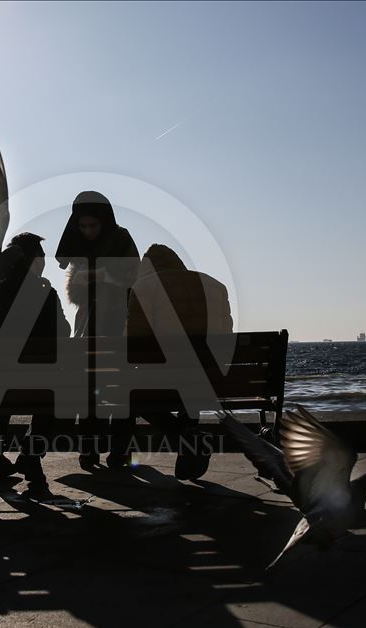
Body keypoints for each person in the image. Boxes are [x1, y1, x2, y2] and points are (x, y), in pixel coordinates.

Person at [126, 243, 233, 480]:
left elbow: (133, 344)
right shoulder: (216, 286)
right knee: (193, 379)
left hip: (165, 378)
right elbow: (227, 336)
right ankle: (190, 447)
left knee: (129, 395)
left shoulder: (144, 288)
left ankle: (187, 438)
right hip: (212, 377)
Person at [0, 233, 71, 491]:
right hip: (40, 385)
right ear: (33, 261)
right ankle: (30, 455)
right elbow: (64, 333)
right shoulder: (44, 292)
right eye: (41, 257)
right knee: (52, 391)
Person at [55, 191, 140, 469]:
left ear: (104, 223)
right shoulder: (79, 248)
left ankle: (119, 451)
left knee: (119, 390)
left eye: (93, 226)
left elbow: (134, 278)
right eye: (83, 227)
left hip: (119, 325)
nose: (88, 232)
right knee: (90, 391)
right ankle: (90, 450)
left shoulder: (121, 238)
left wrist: (104, 277)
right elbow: (76, 292)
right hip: (89, 327)